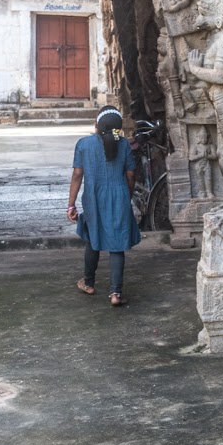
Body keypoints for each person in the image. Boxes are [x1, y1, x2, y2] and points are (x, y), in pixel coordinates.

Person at [67, 107, 141, 306]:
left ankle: (89, 283)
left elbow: (77, 175)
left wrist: (70, 205)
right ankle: (115, 294)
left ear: (96, 125)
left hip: (93, 197)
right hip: (119, 194)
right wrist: (128, 194)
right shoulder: (124, 144)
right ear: (118, 128)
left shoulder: (84, 144)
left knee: (93, 237)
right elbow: (131, 175)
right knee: (117, 243)